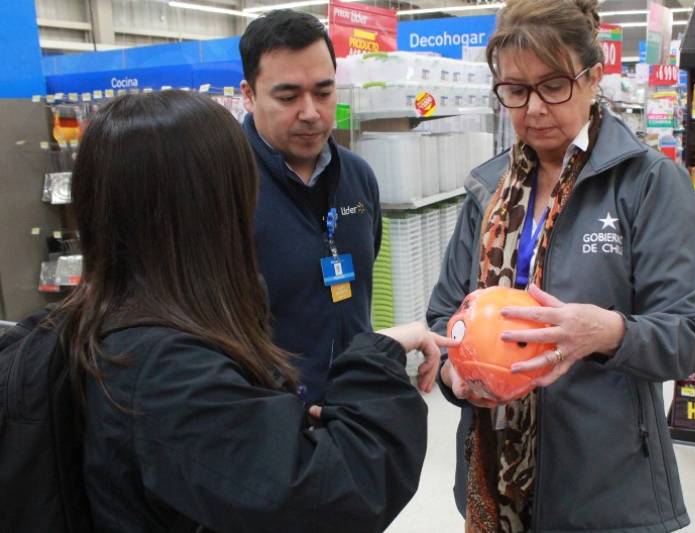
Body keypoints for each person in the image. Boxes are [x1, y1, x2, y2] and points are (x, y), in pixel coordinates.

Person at [56, 91, 450, 532]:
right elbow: (344, 492)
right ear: (209, 209)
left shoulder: (97, 326)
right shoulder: (167, 372)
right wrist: (376, 360)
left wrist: (271, 424)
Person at [426, 0, 695, 531]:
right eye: (515, 91)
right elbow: (444, 315)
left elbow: (690, 333)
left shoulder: (646, 183)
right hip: (495, 476)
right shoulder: (487, 190)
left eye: (553, 85)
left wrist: (605, 333)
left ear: (593, 79)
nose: (534, 108)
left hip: (605, 485)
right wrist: (454, 371)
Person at [239, 11, 405, 403]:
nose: (311, 112)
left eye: (324, 92)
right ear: (248, 95)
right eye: (288, 96)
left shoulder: (358, 177)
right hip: (272, 423)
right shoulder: (223, 187)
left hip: (357, 405)